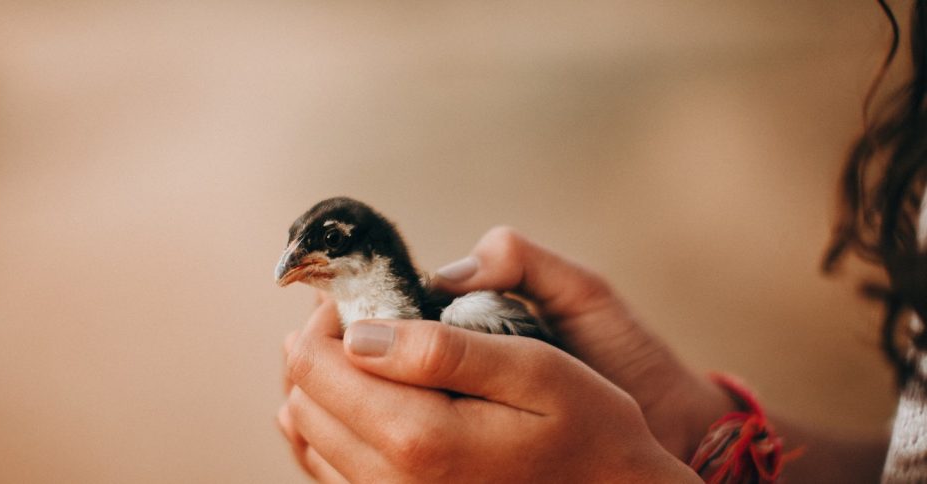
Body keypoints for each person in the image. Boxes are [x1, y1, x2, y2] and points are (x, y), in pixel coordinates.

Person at [276, 1, 927, 482]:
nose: (299, 262)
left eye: (327, 243)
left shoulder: (475, 321)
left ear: (371, 250)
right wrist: (690, 429)